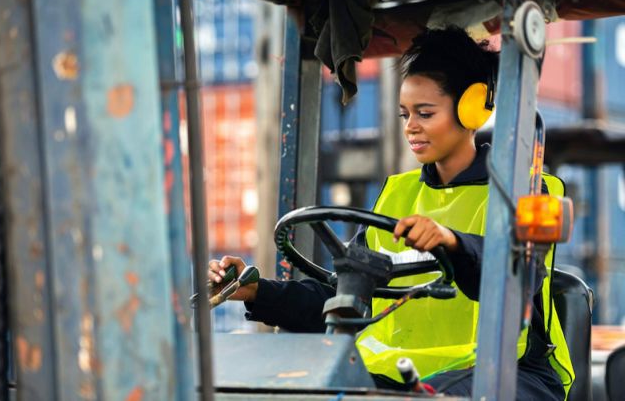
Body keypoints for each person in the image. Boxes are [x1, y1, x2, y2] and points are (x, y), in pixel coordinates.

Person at [208, 26, 574, 400]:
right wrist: (256, 291)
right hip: (402, 378)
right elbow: (343, 299)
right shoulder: (398, 195)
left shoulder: (518, 191)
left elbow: (512, 279)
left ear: (472, 108)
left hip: (508, 374)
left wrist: (452, 243)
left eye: (425, 113)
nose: (411, 126)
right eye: (405, 115)